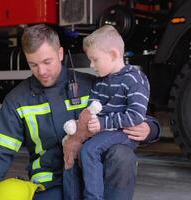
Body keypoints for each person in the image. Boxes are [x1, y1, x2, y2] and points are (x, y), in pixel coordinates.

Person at [0, 24, 160, 200]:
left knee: (121, 154)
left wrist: (150, 129)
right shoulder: (17, 101)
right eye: (33, 64)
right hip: (50, 186)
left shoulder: (92, 85)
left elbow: (131, 111)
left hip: (93, 181)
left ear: (60, 53)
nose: (41, 71)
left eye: (47, 61)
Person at [63, 25, 150, 200]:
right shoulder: (101, 81)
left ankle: (93, 197)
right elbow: (91, 108)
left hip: (123, 132)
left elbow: (136, 116)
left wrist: (103, 123)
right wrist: (81, 127)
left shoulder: (134, 79)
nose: (91, 65)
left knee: (89, 150)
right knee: (73, 149)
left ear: (113, 54)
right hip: (104, 131)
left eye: (95, 60)